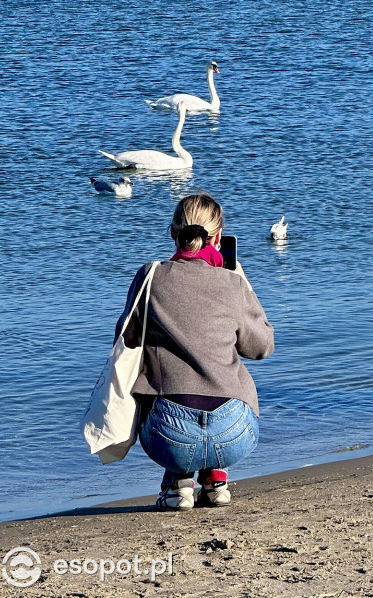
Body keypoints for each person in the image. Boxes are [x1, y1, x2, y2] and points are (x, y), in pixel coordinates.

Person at [115, 193, 274, 510]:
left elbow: (126, 339)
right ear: (217, 237)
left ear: (173, 234)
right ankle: (216, 480)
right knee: (225, 380)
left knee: (162, 389)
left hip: (169, 436)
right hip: (234, 435)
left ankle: (177, 484)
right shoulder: (233, 283)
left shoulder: (150, 277)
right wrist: (244, 286)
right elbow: (260, 348)